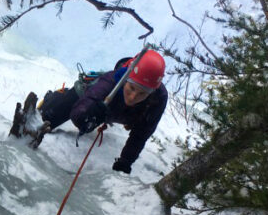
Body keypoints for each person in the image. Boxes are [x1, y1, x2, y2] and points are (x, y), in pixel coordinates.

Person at [9, 49, 168, 175]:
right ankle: (54, 98)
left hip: (124, 114)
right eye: (131, 88)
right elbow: (79, 112)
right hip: (89, 98)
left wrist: (125, 161)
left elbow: (142, 133)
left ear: (151, 92)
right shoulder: (110, 81)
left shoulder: (158, 98)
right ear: (125, 80)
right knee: (47, 118)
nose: (133, 96)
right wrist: (87, 116)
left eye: (142, 93)